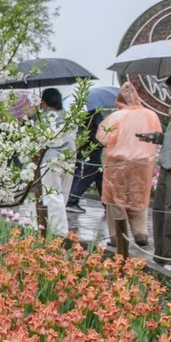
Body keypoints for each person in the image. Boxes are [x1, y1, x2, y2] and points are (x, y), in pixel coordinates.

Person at [97, 82, 161, 256]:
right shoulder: (151, 115)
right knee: (139, 199)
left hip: (117, 163)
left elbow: (102, 137)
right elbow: (158, 136)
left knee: (115, 201)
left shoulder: (117, 116)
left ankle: (117, 235)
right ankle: (141, 233)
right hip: (143, 163)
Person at [147, 70, 171, 270]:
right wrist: (156, 137)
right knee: (160, 210)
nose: (170, 93)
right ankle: (162, 253)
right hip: (167, 167)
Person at [38, 88, 74, 237]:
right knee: (63, 196)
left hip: (51, 161)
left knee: (52, 196)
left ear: (44, 102)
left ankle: (59, 233)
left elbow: (39, 144)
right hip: (70, 160)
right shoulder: (68, 118)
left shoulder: (46, 119)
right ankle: (58, 229)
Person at [66, 107, 106, 211]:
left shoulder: (80, 111)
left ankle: (107, 203)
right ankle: (72, 200)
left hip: (83, 144)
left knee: (99, 174)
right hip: (93, 145)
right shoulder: (94, 112)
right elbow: (101, 127)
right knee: (91, 172)